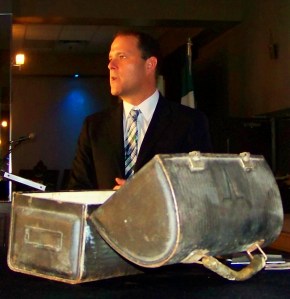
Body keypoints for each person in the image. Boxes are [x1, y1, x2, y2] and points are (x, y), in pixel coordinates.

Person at [67, 30, 212, 191]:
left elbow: (201, 187)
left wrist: (147, 196)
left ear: (149, 65)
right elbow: (77, 190)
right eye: (110, 58)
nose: (111, 65)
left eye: (121, 57)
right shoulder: (94, 127)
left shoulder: (188, 122)